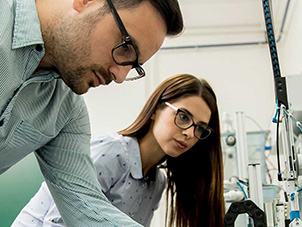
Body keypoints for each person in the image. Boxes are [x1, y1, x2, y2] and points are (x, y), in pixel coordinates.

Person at [0, 0, 183, 225]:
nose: (120, 77)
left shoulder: (67, 111)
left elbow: (85, 206)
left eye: (133, 65)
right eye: (126, 46)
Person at [13, 74, 225, 227]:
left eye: (199, 128)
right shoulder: (112, 152)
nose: (189, 133)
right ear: (155, 110)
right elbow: (55, 222)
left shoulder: (156, 183)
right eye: (183, 117)